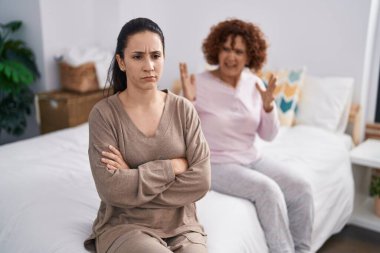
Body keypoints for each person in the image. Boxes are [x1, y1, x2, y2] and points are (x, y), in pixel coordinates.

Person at [179, 19, 314, 253]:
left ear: (249, 56)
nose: (231, 56)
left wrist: (269, 107)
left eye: (238, 51)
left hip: (253, 158)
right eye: (226, 49)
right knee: (267, 190)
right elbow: (180, 133)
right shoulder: (197, 83)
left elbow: (269, 135)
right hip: (216, 163)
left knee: (302, 188)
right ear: (216, 50)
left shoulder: (255, 83)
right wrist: (188, 101)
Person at [84, 17, 211, 253]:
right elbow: (110, 189)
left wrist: (132, 177)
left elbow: (201, 181)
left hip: (183, 226)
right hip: (125, 226)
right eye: (137, 57)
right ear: (121, 62)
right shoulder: (103, 115)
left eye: (155, 55)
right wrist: (171, 167)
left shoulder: (184, 109)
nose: (149, 66)